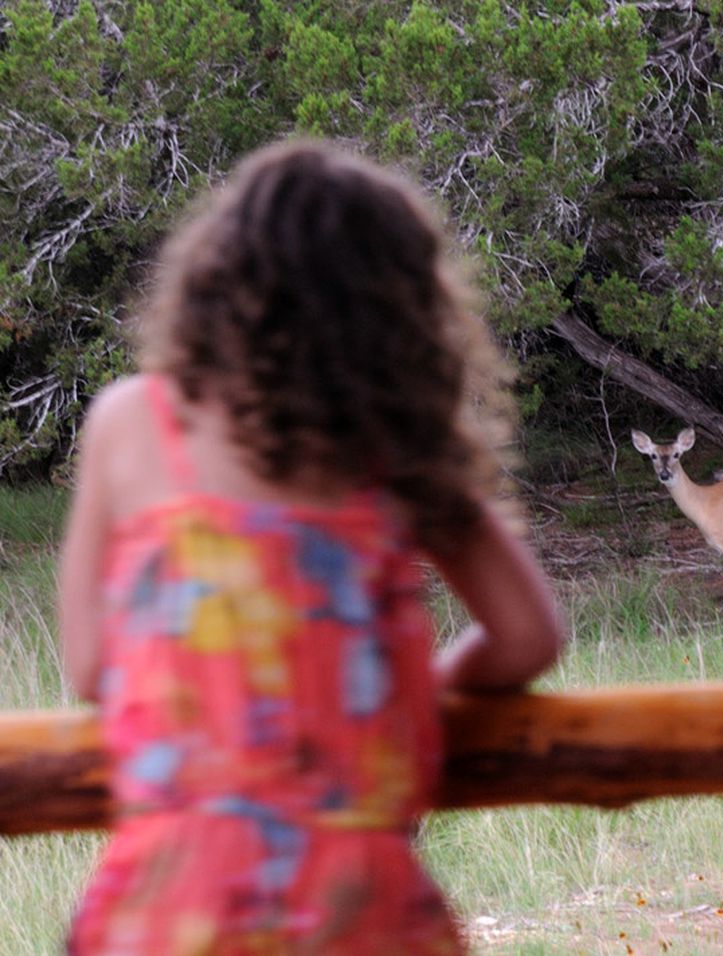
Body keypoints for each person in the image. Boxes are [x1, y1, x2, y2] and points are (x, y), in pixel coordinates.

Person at [58, 140, 566, 954]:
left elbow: (90, 668)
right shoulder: (399, 448)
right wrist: (416, 698)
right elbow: (530, 636)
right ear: (401, 312)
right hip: (356, 899)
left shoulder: (132, 422)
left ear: (215, 280)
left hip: (177, 895)